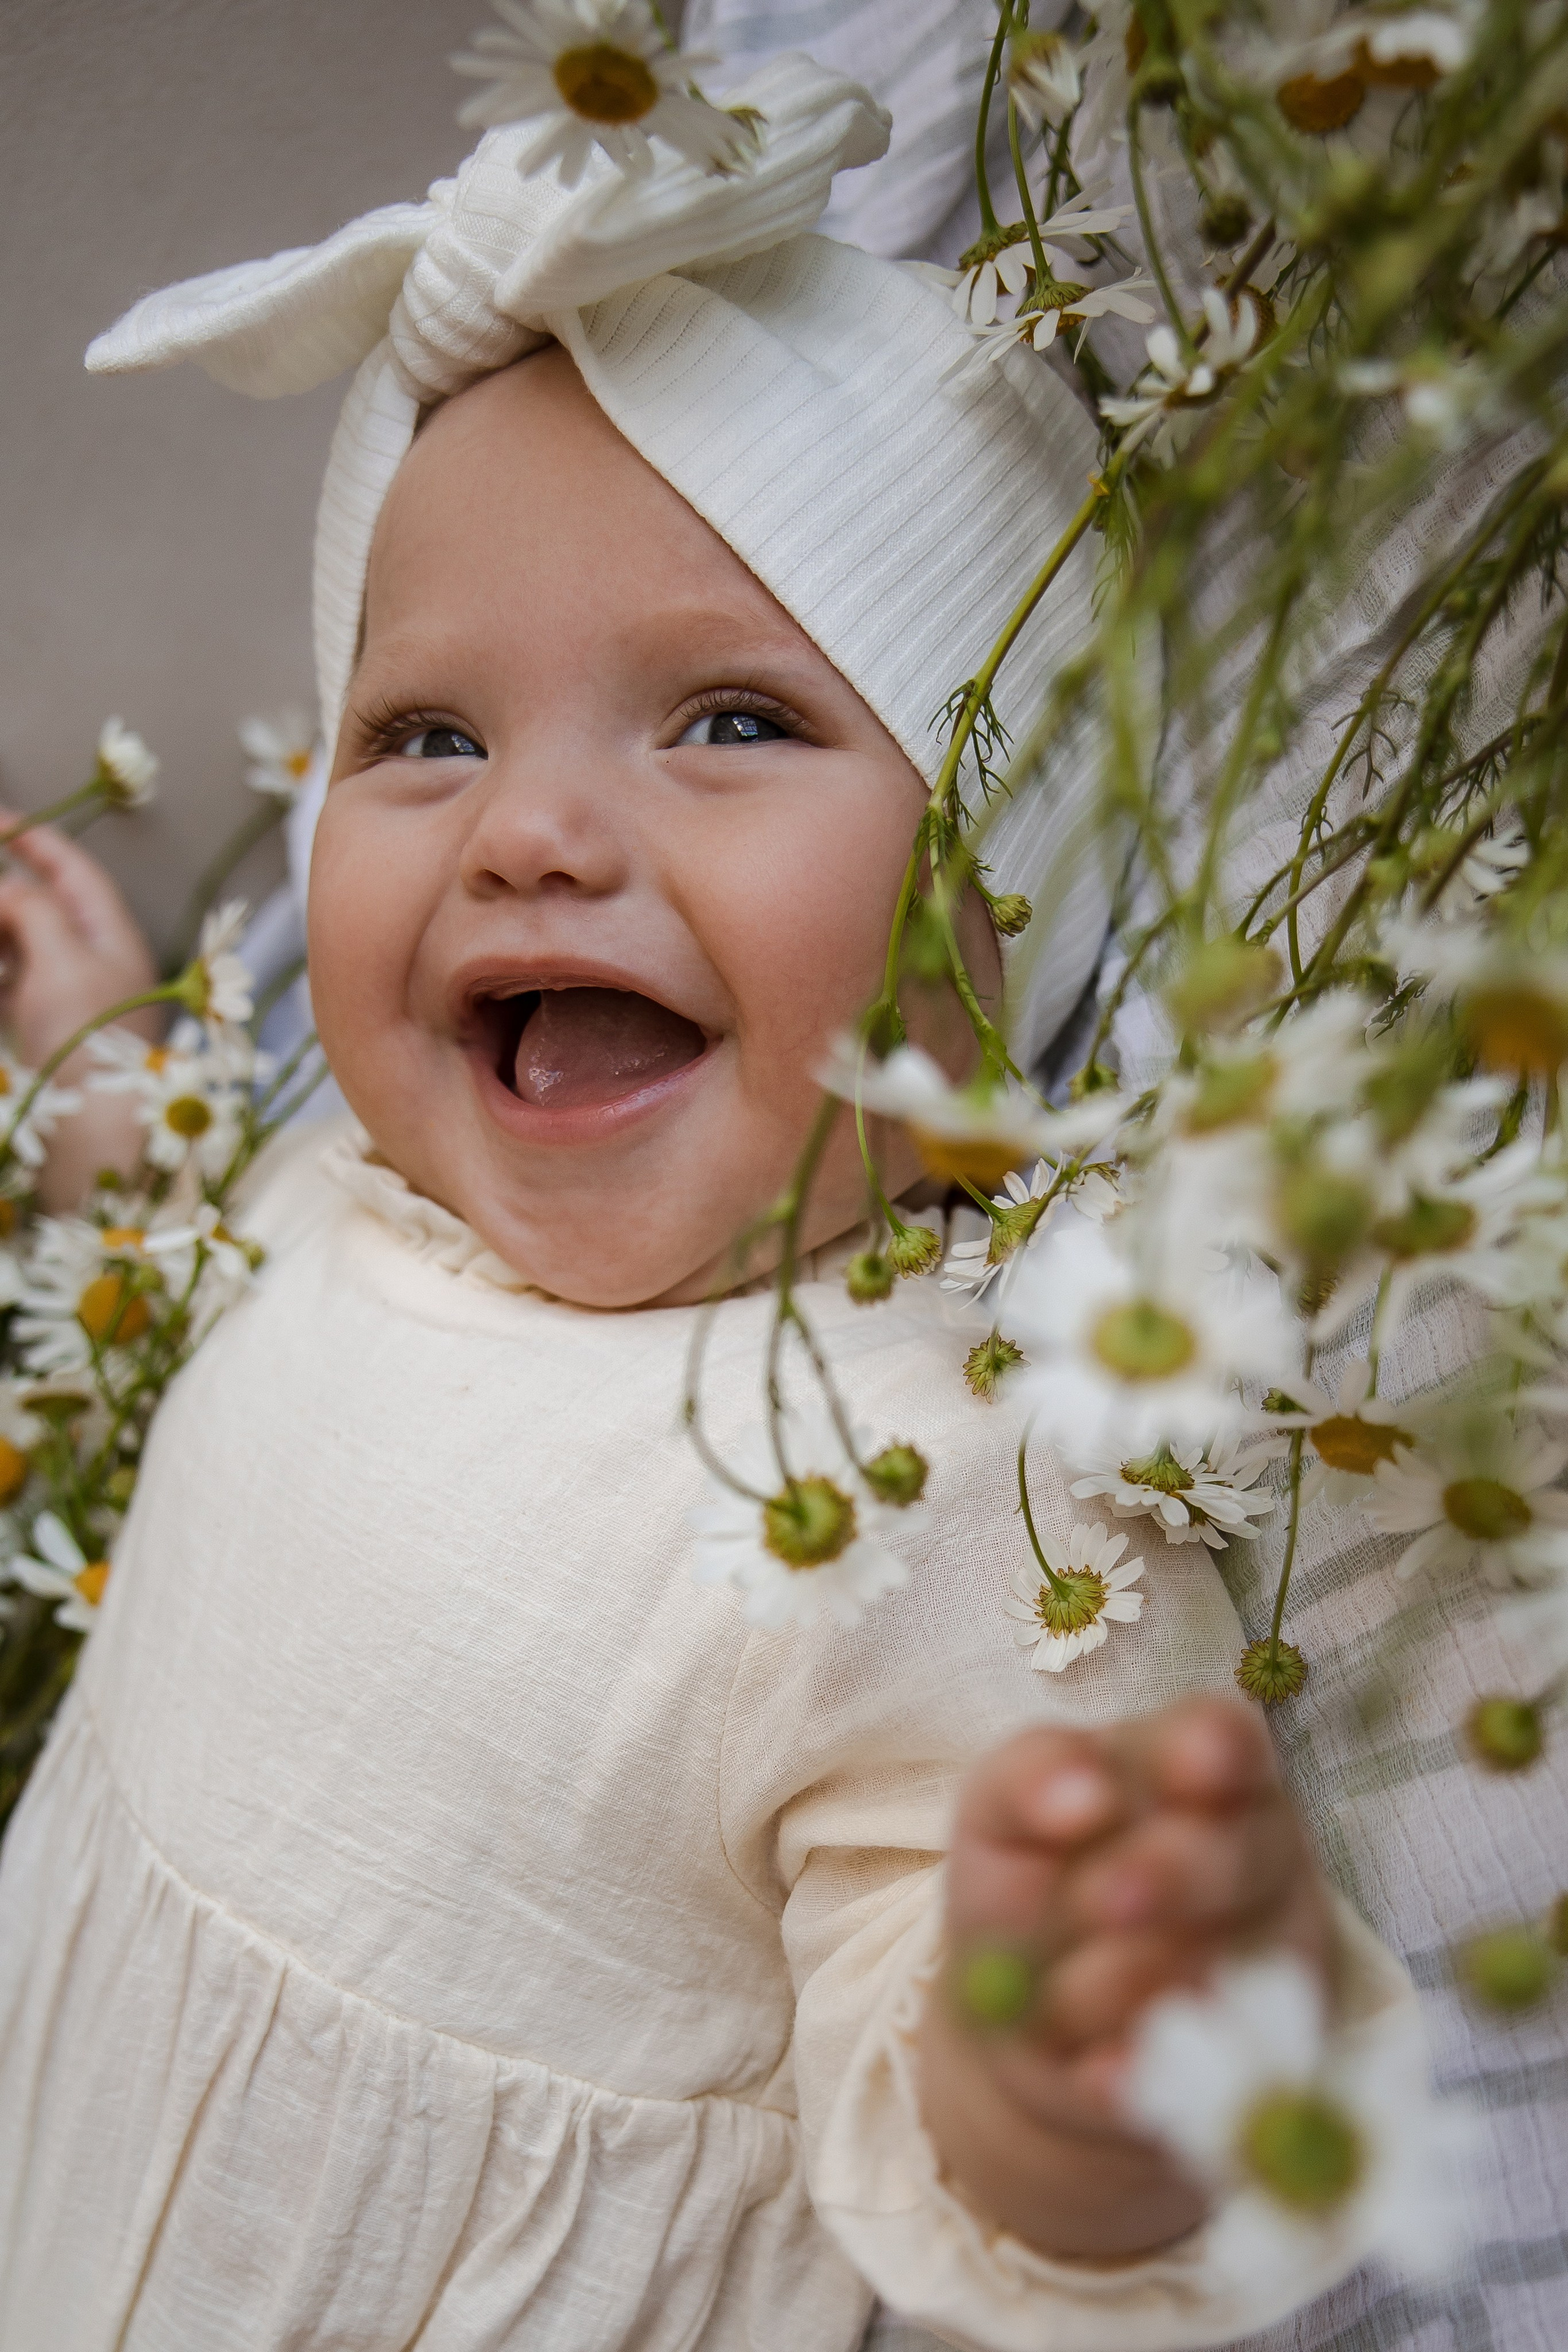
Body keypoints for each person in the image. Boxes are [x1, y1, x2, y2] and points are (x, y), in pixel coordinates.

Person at [0, 55, 1418, 2352]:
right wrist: (117, 1088)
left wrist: (1092, 2062)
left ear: (1016, 889)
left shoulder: (960, 1494)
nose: (525, 832)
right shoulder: (354, 1184)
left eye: (734, 721)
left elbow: (992, 2139)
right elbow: (210, 1272)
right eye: (424, 735)